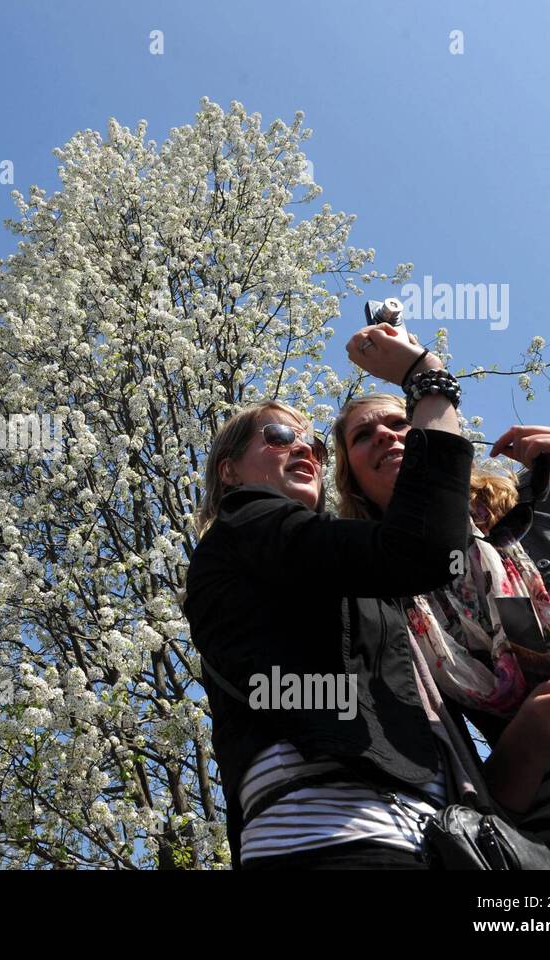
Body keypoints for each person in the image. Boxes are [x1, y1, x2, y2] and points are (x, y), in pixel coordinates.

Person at [184, 320, 479, 868]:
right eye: (277, 437)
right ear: (229, 472)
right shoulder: (250, 522)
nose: (302, 448)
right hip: (333, 831)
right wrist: (427, 380)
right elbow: (418, 552)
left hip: (411, 827)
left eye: (313, 443)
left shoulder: (310, 562)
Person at [334, 394, 550, 868]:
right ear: (355, 481)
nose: (385, 434)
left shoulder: (549, 502)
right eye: (363, 436)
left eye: (402, 422)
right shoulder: (378, 605)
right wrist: (526, 742)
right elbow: (470, 797)